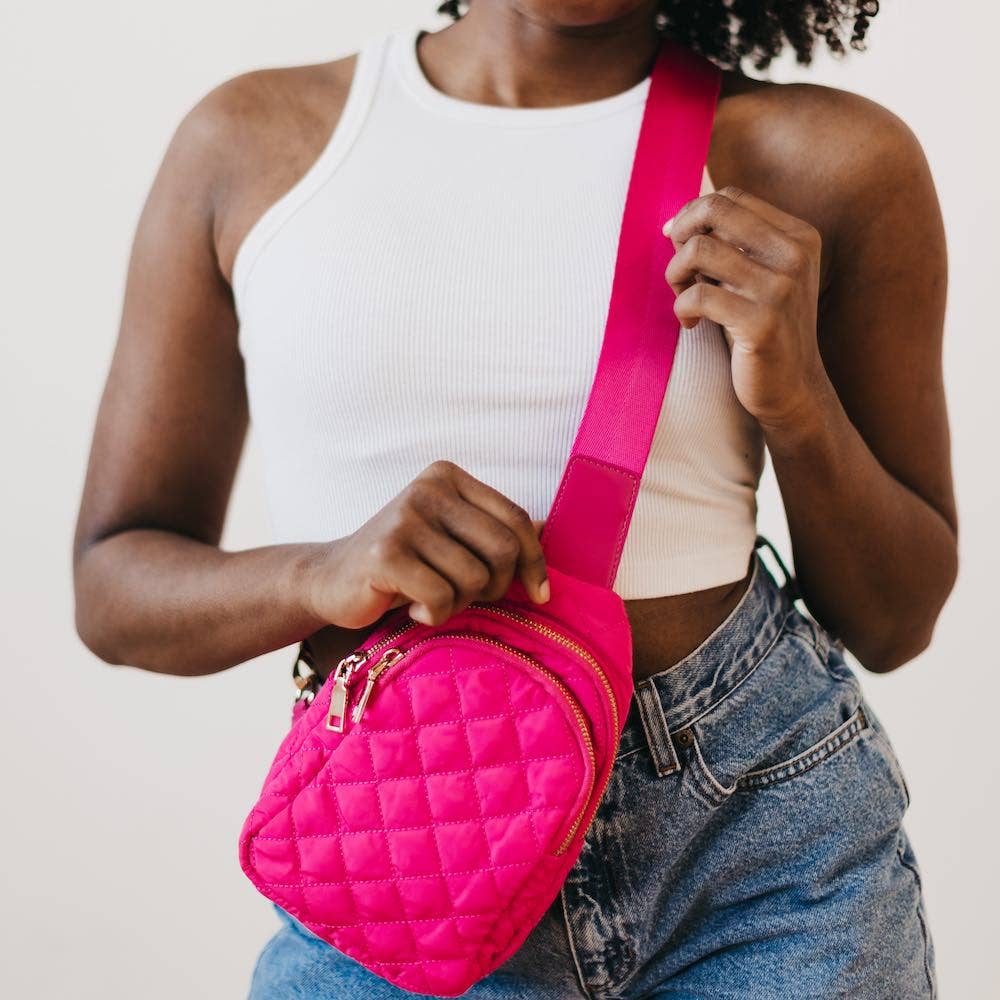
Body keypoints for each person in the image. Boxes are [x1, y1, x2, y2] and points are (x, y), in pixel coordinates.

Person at [72, 1, 955, 996]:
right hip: (403, 858)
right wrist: (320, 573)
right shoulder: (251, 145)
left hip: (760, 861)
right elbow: (114, 586)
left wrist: (799, 401)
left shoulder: (824, 159)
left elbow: (894, 618)